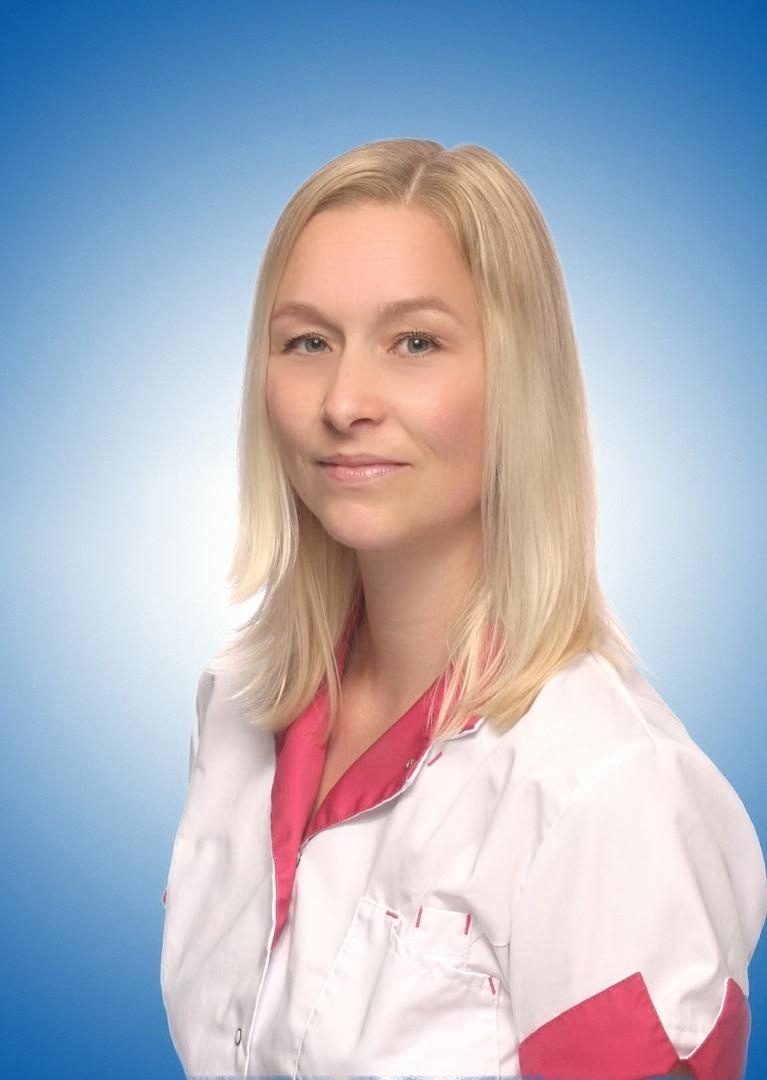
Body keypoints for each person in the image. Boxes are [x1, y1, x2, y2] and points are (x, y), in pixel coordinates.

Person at [160, 138, 766, 1080]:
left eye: (415, 342)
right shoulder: (237, 704)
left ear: (518, 379)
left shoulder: (606, 789)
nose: (344, 401)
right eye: (307, 342)